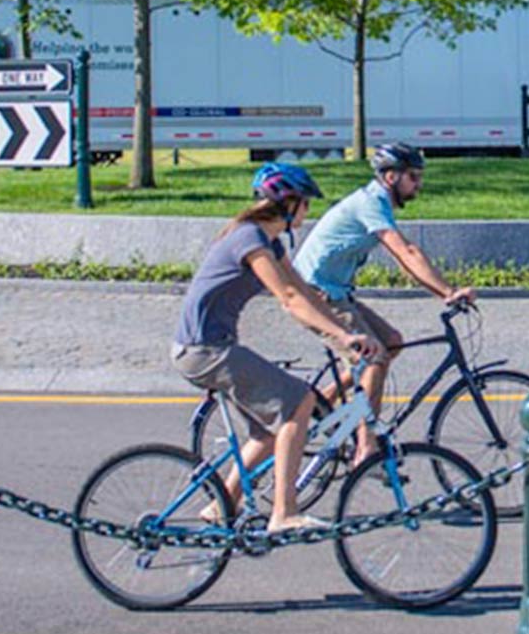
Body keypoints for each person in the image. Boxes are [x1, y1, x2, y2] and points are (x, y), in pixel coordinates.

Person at [173, 160, 382, 533]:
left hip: (211, 348)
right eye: (305, 203)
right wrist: (346, 336)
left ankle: (221, 505)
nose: (309, 211)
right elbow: (287, 297)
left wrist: (343, 337)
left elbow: (304, 292)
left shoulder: (269, 241)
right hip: (204, 351)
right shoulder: (248, 239)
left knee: (271, 431)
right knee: (298, 403)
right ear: (287, 203)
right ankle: (284, 513)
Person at [293, 143, 474, 467]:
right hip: (316, 294)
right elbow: (405, 252)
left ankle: (325, 401)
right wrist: (447, 291)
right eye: (413, 177)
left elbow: (405, 256)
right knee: (374, 358)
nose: (419, 184)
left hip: (336, 292)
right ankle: (366, 448)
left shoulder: (376, 201)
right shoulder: (371, 203)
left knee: (391, 342)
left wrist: (443, 290)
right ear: (391, 177)